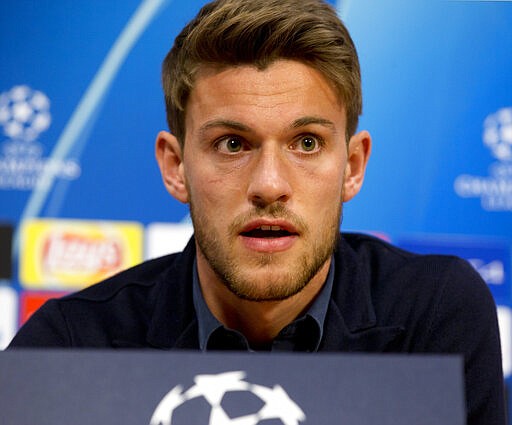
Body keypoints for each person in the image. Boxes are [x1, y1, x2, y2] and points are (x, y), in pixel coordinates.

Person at [9, 0, 505, 423]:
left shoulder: (435, 315)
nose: (269, 185)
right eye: (232, 143)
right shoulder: (72, 347)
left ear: (352, 166)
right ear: (176, 166)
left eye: (306, 143)